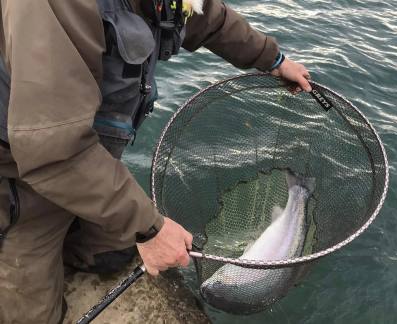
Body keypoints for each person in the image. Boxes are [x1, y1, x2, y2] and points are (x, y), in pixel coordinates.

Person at [0, 0, 311, 323]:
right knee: (29, 312)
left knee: (112, 253)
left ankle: (73, 234)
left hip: (88, 154)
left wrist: (273, 59)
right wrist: (149, 229)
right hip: (20, 167)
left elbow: (210, 19)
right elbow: (53, 150)